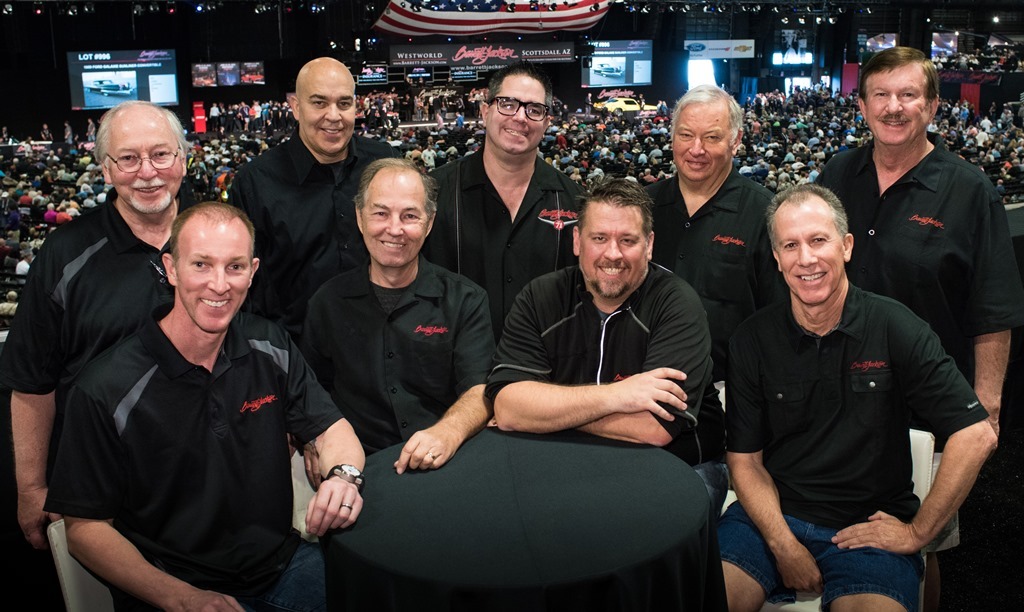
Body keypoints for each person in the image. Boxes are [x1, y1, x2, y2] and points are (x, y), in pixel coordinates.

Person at [44, 202, 366, 611]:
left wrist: (344, 476)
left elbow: (333, 428)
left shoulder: (271, 344)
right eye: (201, 264)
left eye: (234, 267)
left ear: (252, 271)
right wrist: (182, 598)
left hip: (285, 566)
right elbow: (85, 530)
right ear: (171, 269)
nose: (219, 284)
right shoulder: (104, 388)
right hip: (170, 587)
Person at [719, 184, 997, 612]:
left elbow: (977, 434)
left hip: (869, 530)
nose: (806, 259)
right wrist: (783, 543)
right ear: (776, 258)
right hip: (769, 520)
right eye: (790, 245)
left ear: (846, 246)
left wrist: (917, 534)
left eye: (818, 240)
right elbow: (745, 461)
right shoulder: (752, 340)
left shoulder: (896, 326)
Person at [815, 47, 1024, 609]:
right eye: (880, 95)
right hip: (837, 394)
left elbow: (993, 307)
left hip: (928, 408)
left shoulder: (969, 189)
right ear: (861, 105)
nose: (894, 107)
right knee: (844, 529)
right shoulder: (837, 173)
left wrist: (988, 405)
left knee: (924, 541)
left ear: (933, 105)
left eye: (909, 95)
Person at [0, 100, 195, 550]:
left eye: (161, 154)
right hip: (103, 488)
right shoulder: (65, 253)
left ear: (183, 159)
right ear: (105, 170)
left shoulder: (218, 235)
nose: (147, 171)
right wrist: (31, 488)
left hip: (211, 474)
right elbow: (31, 381)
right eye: (128, 158)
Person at [485, 178, 722, 501]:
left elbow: (653, 428)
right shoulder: (539, 297)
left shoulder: (677, 303)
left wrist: (544, 414)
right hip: (566, 458)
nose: (613, 254)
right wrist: (618, 395)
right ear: (577, 241)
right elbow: (509, 407)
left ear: (649, 244)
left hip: (676, 465)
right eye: (599, 238)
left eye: (627, 240)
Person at [301, 158, 494, 473]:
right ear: (360, 218)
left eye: (410, 216)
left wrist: (448, 431)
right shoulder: (327, 302)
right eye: (380, 213)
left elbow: (479, 389)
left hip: (445, 464)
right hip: (358, 468)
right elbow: (311, 388)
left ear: (429, 223)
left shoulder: (466, 301)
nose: (394, 229)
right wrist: (316, 437)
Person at [646, 85, 784, 509]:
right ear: (671, 138)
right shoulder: (644, 208)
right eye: (686, 135)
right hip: (643, 396)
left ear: (737, 140)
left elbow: (779, 321)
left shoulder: (764, 214)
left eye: (712, 137)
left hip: (731, 402)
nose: (697, 150)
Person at [229, 57, 399, 343]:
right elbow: (241, 281)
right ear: (296, 107)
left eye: (344, 103)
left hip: (383, 346)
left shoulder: (386, 164)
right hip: (295, 355)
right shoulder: (255, 182)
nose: (333, 116)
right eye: (319, 103)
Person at [424, 61, 585, 340]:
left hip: (545, 371)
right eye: (507, 104)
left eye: (534, 109)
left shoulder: (574, 200)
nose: (520, 117)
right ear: (485, 112)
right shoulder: (433, 192)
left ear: (547, 123)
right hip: (454, 371)